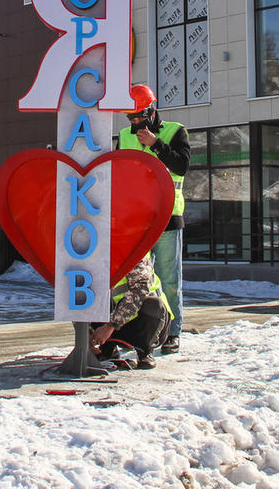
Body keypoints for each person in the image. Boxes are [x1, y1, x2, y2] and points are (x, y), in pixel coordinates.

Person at [118, 84, 189, 354]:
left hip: (168, 218)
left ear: (152, 110)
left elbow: (182, 166)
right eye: (131, 118)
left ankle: (173, 331)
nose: (136, 123)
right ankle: (142, 332)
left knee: (169, 278)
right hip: (136, 220)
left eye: (140, 117)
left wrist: (156, 144)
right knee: (138, 281)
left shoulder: (175, 131)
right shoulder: (125, 136)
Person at [89, 253, 172, 369]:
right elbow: (77, 295)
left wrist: (110, 326)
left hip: (147, 324)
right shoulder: (88, 252)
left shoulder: (133, 249)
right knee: (88, 298)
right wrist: (85, 336)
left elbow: (139, 290)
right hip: (112, 327)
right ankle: (107, 349)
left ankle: (145, 351)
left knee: (154, 305)